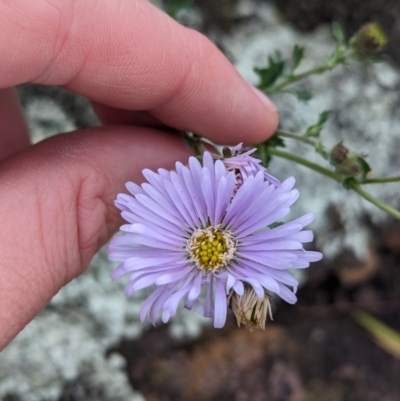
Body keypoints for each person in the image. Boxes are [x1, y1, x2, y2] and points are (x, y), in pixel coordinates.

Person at [0, 0, 278, 350]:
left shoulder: (216, 235)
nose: (210, 248)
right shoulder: (202, 222)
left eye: (212, 249)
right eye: (212, 246)